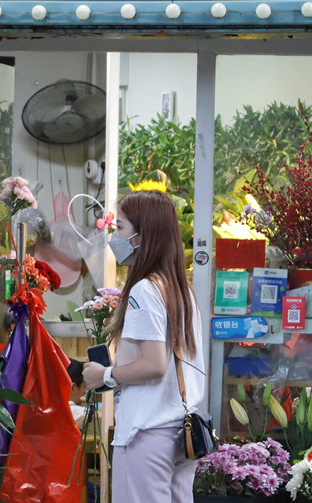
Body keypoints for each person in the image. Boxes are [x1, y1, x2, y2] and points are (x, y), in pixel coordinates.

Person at [82, 190, 206, 503]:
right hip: (182, 432)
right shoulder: (182, 291)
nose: (115, 236)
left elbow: (154, 365)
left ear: (142, 237)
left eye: (121, 227)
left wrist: (105, 375)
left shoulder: (145, 291)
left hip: (147, 430)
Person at [67, 358, 88, 423]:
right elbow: (102, 416)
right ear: (73, 388)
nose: (85, 392)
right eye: (84, 387)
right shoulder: (74, 411)